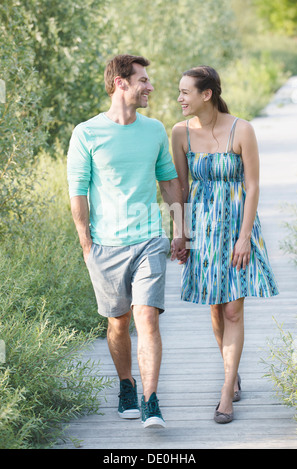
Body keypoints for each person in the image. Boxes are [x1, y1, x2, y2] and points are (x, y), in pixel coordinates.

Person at [67, 54, 186, 429]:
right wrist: (86, 243)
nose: (150, 86)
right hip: (105, 244)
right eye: (143, 80)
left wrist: (180, 230)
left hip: (149, 237)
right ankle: (126, 385)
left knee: (146, 317)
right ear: (121, 83)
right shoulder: (86, 133)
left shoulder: (154, 130)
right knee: (118, 323)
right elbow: (78, 192)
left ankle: (151, 399)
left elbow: (168, 183)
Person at [172, 65, 279, 424]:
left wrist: (245, 236)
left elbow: (253, 186)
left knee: (233, 310)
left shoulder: (241, 129)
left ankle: (226, 390)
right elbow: (180, 190)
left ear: (207, 95)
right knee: (216, 309)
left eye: (185, 92)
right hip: (202, 230)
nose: (179, 98)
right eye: (179, 91)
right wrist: (180, 232)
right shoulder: (179, 133)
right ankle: (230, 373)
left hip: (236, 226)